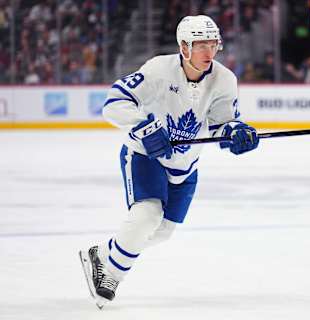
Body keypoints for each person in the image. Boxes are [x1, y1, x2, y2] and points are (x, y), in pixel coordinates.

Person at [79, 15, 259, 309]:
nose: (208, 53)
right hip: (145, 155)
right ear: (183, 46)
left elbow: (221, 124)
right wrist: (145, 128)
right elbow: (114, 103)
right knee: (146, 215)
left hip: (186, 164)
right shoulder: (158, 70)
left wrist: (235, 133)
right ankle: (111, 275)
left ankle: (103, 253)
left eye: (213, 44)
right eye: (200, 45)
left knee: (162, 232)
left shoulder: (224, 79)